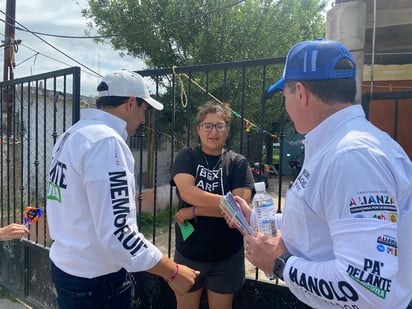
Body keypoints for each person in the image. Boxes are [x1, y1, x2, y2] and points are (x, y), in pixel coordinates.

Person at [230, 39, 412, 308]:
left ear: (301, 93)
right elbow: (321, 221)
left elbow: (367, 287)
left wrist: (280, 263)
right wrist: (256, 217)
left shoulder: (352, 157)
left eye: (285, 97)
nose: (287, 106)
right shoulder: (337, 147)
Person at [46, 70, 199, 309]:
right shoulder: (106, 143)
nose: (143, 120)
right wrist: (172, 272)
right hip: (96, 285)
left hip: (68, 270)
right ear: (130, 102)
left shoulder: (73, 133)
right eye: (144, 110)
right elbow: (119, 233)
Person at [171, 100, 254, 309]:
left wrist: (195, 210)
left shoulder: (238, 162)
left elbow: (240, 211)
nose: (213, 132)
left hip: (227, 256)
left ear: (227, 129)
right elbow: (188, 192)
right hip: (189, 254)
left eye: (219, 125)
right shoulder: (187, 156)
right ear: (199, 129)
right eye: (208, 126)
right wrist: (228, 203)